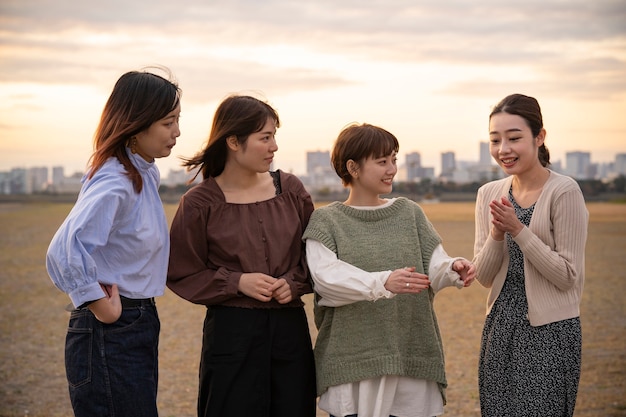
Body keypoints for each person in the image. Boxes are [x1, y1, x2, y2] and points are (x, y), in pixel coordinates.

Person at [302, 123, 476, 417]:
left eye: (394, 159)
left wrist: (452, 268)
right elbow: (326, 281)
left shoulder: (409, 213)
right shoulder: (325, 222)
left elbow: (433, 266)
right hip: (353, 365)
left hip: (409, 357)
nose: (392, 169)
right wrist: (384, 282)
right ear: (353, 168)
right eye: (382, 161)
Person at [166, 94, 317, 417]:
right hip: (230, 336)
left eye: (274, 136)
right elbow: (181, 271)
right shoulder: (198, 204)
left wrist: (294, 282)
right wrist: (237, 282)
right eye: (265, 137)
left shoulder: (291, 190)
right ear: (233, 141)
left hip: (290, 330)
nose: (274, 146)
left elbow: (316, 255)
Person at [46, 67, 182, 417]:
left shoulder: (142, 172)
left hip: (134, 322)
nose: (177, 133)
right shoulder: (117, 179)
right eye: (168, 122)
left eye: (177, 120)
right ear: (137, 123)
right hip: (112, 329)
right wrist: (97, 303)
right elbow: (65, 249)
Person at [473, 93, 588, 416]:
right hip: (500, 326)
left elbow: (567, 276)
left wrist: (519, 231)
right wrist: (497, 233)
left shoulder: (564, 191)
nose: (503, 149)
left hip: (551, 332)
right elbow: (483, 276)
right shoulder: (488, 195)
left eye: (514, 138)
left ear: (539, 137)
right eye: (495, 140)